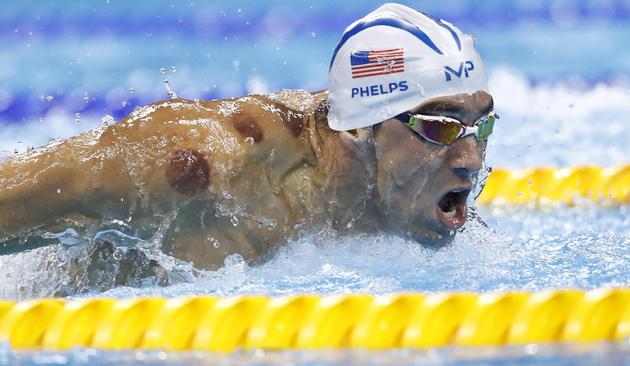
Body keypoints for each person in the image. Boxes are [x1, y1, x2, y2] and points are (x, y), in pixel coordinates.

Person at [0, 3, 495, 272]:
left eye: (479, 125)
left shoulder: (397, 182)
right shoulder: (199, 166)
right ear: (360, 128)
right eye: (439, 127)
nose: (471, 158)